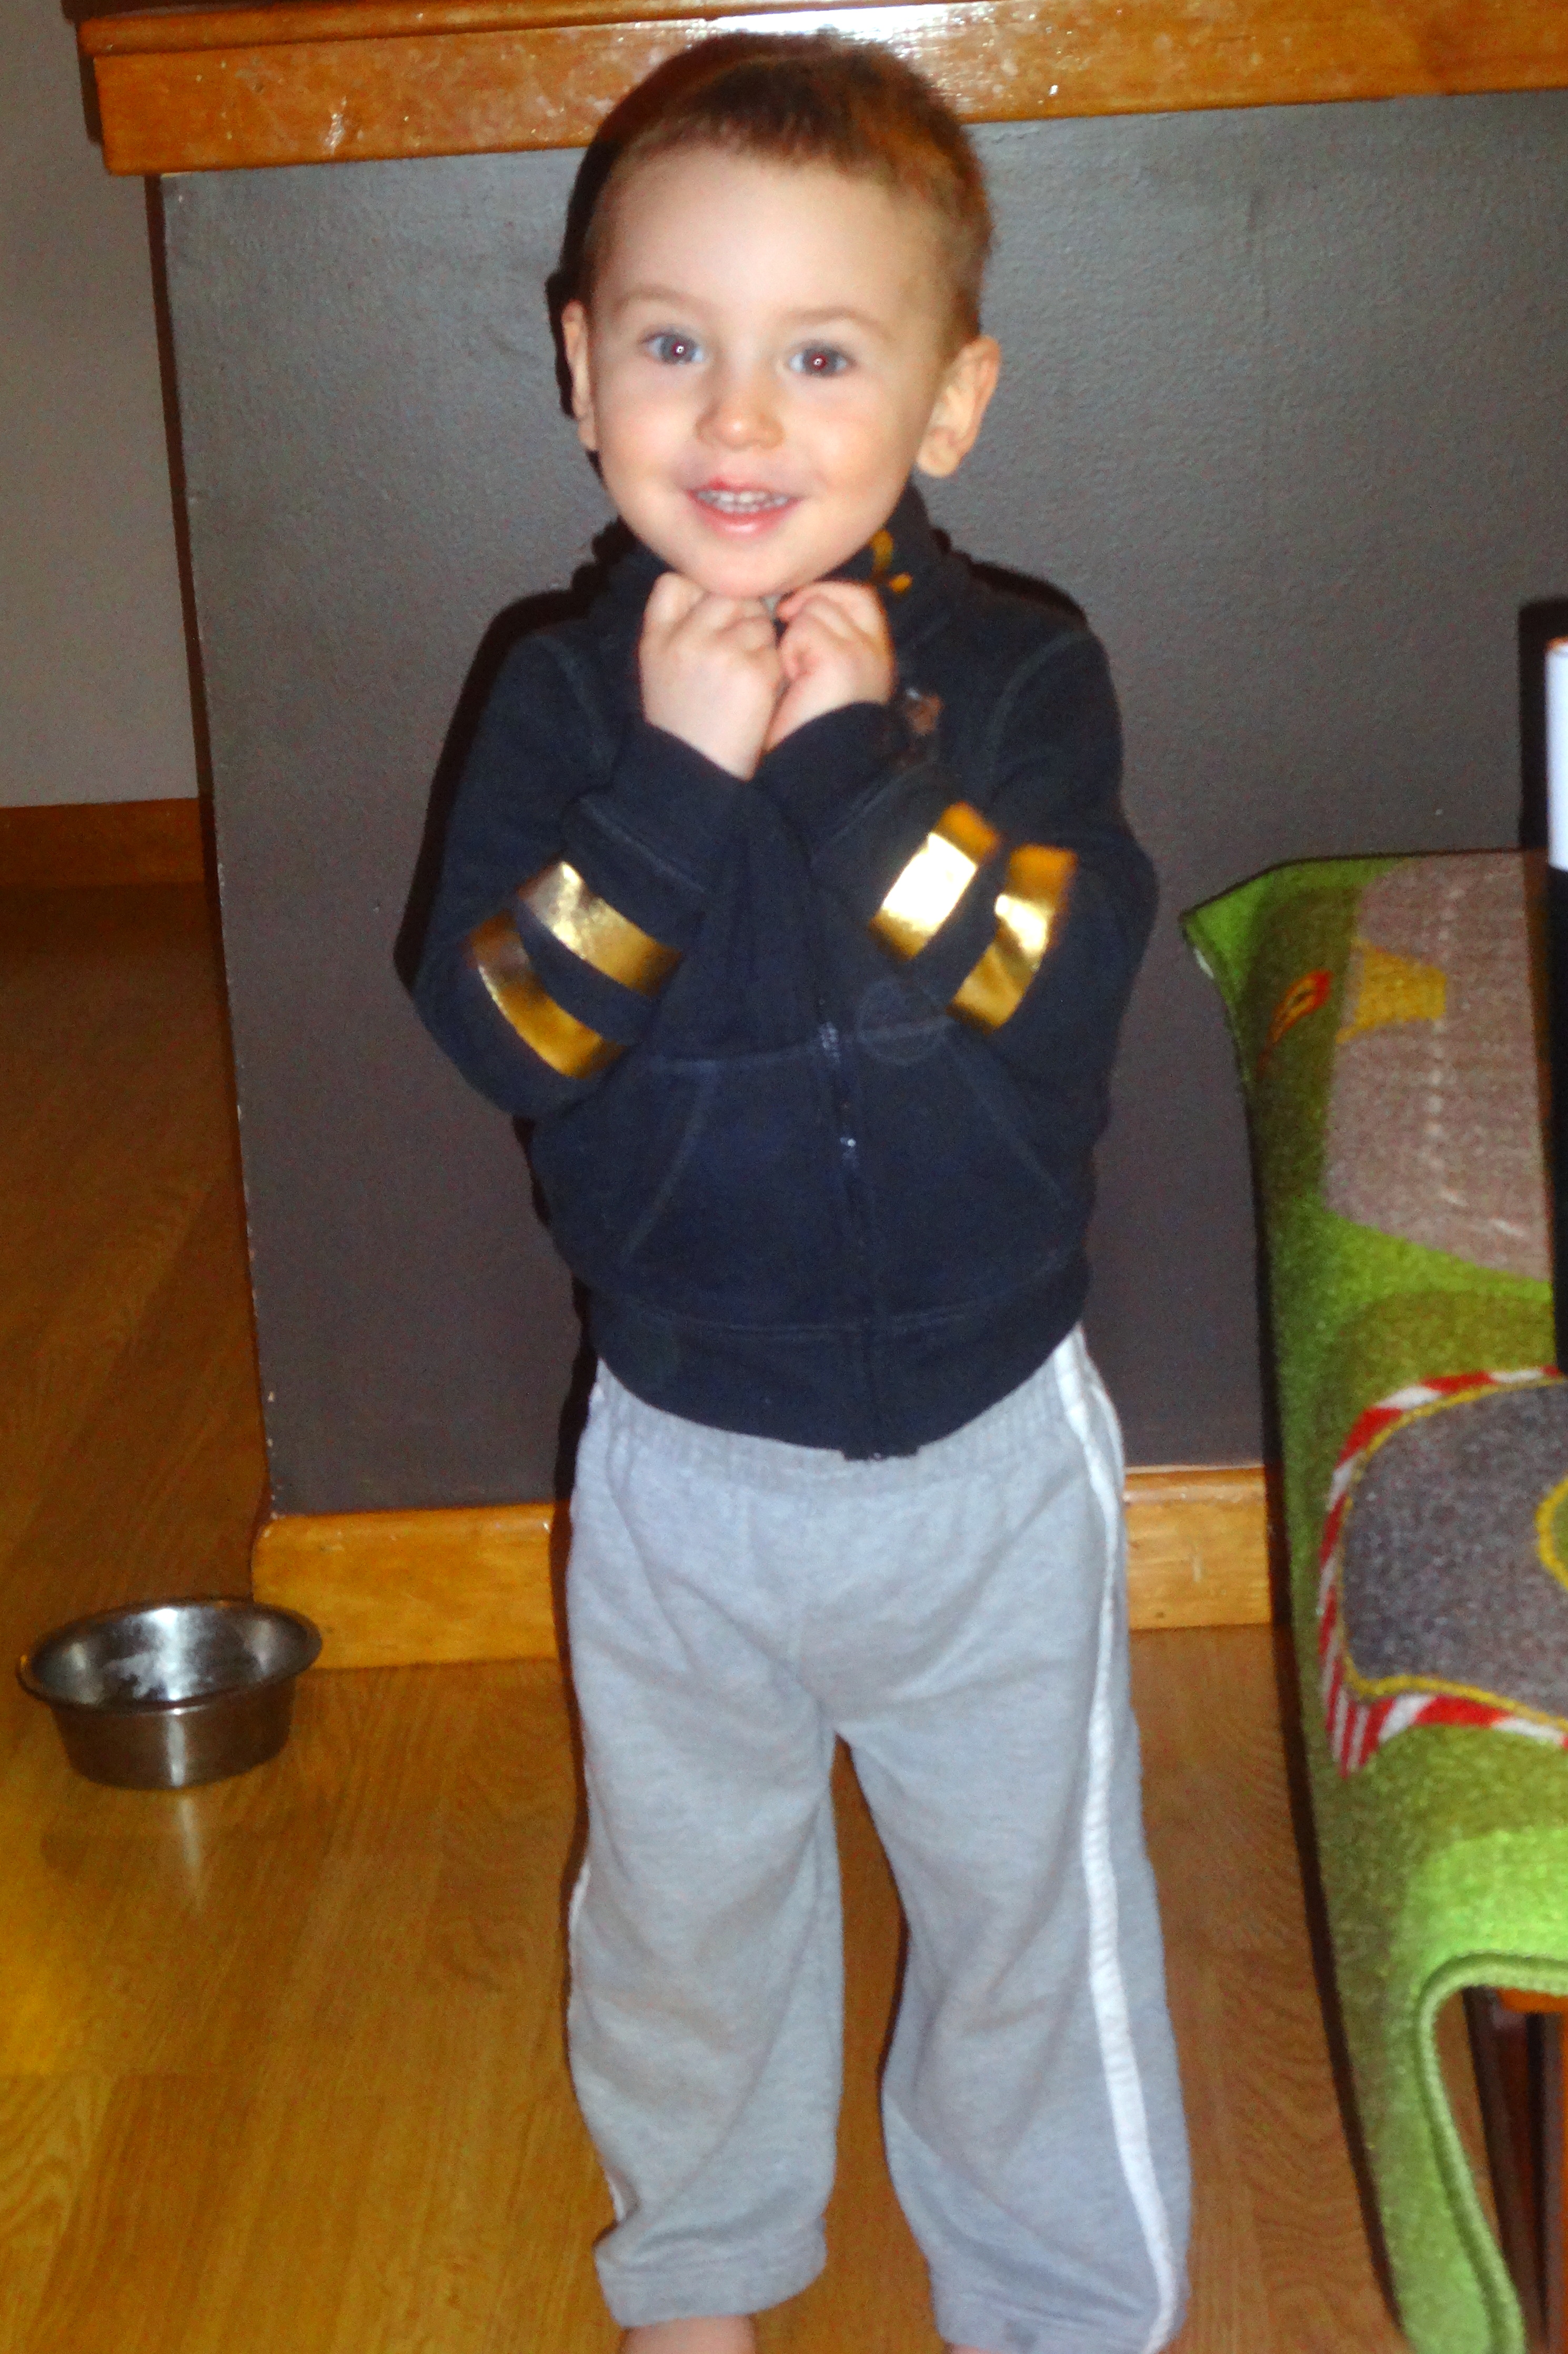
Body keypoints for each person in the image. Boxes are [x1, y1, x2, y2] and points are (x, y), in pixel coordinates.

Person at [413, 32, 1189, 2354]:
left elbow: (1043, 983)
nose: (738, 417)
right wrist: (669, 779)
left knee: (1030, 1920)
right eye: (675, 345)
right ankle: (696, 2266)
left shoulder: (1018, 678)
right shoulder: (563, 702)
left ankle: (1057, 2301)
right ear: (582, 369)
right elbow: (505, 1027)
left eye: (821, 357)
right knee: (684, 1915)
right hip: (680, 1463)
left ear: (949, 403)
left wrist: (853, 767)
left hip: (985, 1461)